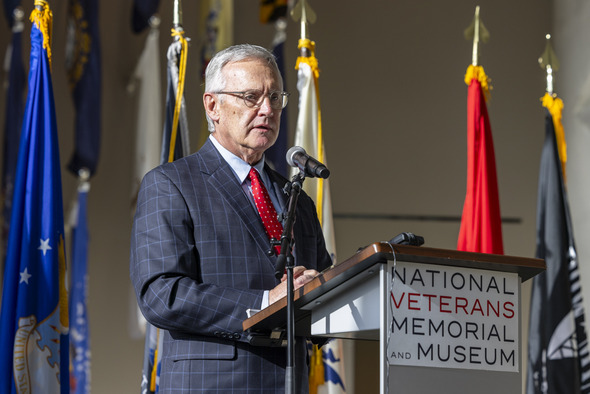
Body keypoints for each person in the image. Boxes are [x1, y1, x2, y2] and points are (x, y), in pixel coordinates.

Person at [130, 44, 333, 393]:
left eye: (275, 97)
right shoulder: (171, 184)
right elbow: (162, 295)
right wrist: (265, 303)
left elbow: (324, 291)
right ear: (213, 105)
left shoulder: (297, 198)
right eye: (251, 97)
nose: (267, 110)